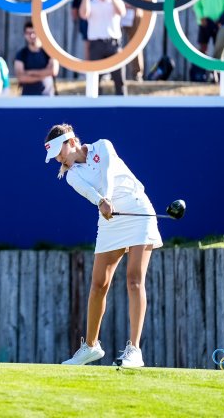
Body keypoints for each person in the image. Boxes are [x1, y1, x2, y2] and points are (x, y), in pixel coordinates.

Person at [45, 123, 162, 368]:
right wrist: (102, 201)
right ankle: (91, 346)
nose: (59, 159)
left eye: (59, 152)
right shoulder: (72, 176)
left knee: (134, 279)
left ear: (71, 142)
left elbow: (107, 173)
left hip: (137, 208)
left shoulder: (103, 145)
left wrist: (105, 198)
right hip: (110, 219)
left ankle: (134, 350)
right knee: (99, 284)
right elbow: (90, 193)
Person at [79, 0, 128, 95]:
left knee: (119, 79)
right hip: (96, 45)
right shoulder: (91, 2)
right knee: (95, 81)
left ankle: (122, 105)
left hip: (114, 44)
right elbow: (83, 14)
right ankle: (95, 107)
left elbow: (122, 12)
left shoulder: (115, 1)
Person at [15, 21, 58, 96]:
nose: (32, 35)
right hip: (27, 99)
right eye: (28, 33)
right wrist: (44, 75)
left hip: (48, 99)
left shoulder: (49, 52)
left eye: (34, 32)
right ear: (25, 35)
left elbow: (53, 71)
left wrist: (30, 73)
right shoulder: (21, 54)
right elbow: (21, 77)